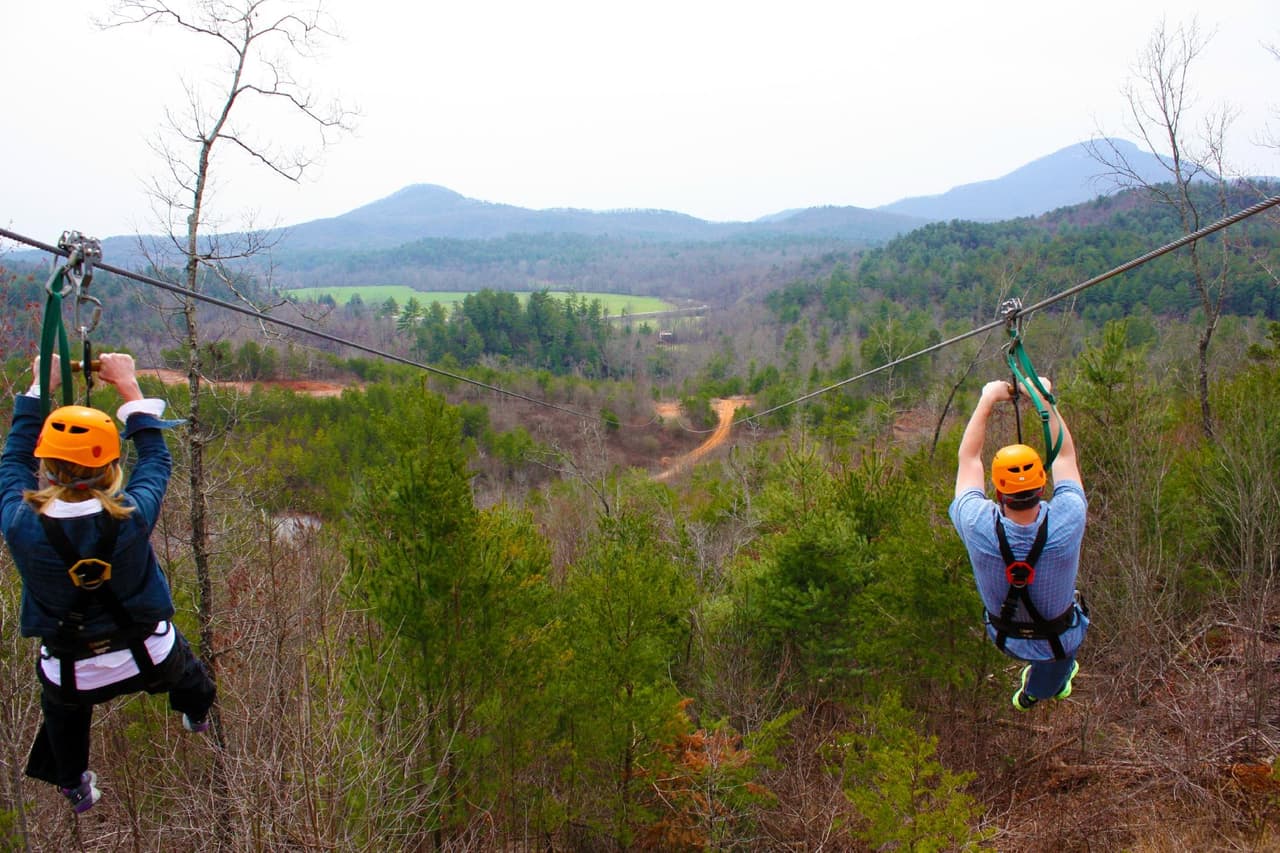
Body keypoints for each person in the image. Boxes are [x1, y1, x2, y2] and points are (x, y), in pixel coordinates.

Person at [0, 353, 216, 813]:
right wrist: (128, 386)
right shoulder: (131, 516)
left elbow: (13, 461)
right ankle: (196, 714)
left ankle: (73, 783)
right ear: (112, 467)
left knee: (64, 719)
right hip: (149, 653)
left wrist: (40, 388)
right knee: (192, 679)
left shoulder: (20, 523)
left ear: (50, 467)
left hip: (71, 669)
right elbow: (156, 459)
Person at [950, 377, 1088, 710]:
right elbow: (1065, 457)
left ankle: (1033, 692)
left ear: (998, 491)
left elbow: (969, 460)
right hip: (1059, 639)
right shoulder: (1069, 516)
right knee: (1057, 666)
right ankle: (1034, 693)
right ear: (1043, 485)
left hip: (1006, 637)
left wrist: (988, 399)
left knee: (1054, 660)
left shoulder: (975, 522)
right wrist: (1043, 398)